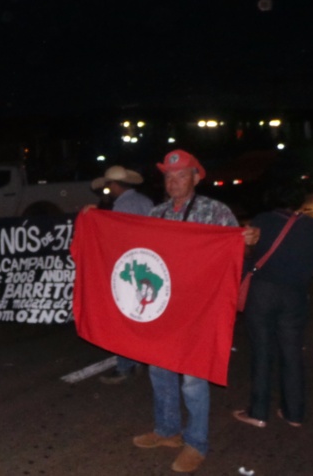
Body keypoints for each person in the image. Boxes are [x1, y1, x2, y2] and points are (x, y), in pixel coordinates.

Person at [132, 149, 259, 473]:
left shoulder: (215, 211)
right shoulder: (156, 213)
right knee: (159, 371)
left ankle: (196, 442)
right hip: (162, 308)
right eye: (169, 176)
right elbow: (132, 247)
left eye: (181, 175)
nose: (174, 182)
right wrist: (94, 219)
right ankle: (167, 431)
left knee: (192, 379)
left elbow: (236, 252)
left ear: (196, 177)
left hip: (200, 311)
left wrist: (247, 240)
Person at [232, 183, 313, 429]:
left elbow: (248, 252)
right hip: (296, 295)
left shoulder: (263, 220)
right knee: (292, 352)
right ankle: (294, 413)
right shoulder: (311, 225)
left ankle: (258, 412)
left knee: (262, 351)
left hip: (263, 293)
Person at [90, 165, 155, 385]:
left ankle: (126, 365)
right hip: (148, 262)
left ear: (115, 185)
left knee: (123, 318)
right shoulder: (145, 202)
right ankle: (141, 358)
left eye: (109, 185)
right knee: (142, 313)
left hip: (129, 265)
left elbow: (117, 238)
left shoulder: (121, 206)